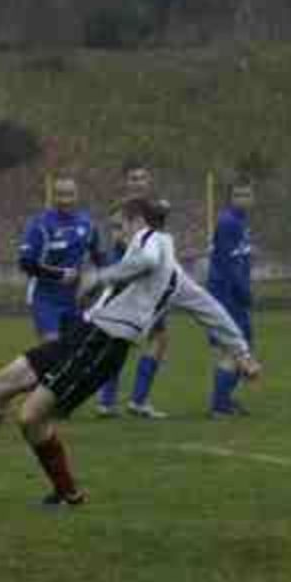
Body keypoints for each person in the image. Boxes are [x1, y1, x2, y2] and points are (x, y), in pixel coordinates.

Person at [0, 198, 261, 505]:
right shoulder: (169, 272)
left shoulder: (153, 243)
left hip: (103, 344)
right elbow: (210, 309)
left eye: (117, 227)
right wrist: (242, 351)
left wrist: (100, 277)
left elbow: (149, 260)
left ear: (136, 221)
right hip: (84, 334)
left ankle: (68, 493)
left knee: (31, 418)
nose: (116, 236)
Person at [95, 160, 172, 418]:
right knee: (120, 341)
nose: (138, 182)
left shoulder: (153, 210)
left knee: (158, 339)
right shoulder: (121, 211)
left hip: (148, 285)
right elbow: (122, 240)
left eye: (142, 178)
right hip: (128, 284)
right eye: (133, 178)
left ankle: (134, 400)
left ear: (149, 182)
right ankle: (110, 401)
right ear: (125, 182)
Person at [18, 177, 105, 342]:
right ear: (53, 196)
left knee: (72, 353)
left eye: (69, 195)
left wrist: (101, 278)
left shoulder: (87, 224)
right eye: (60, 195)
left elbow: (99, 257)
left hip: (75, 299)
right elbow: (25, 263)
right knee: (52, 350)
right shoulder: (40, 224)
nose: (65, 200)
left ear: (77, 195)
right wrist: (59, 275)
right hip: (45, 298)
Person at [207, 178, 258, 417]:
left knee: (241, 346)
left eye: (246, 194)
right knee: (233, 349)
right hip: (227, 295)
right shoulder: (228, 223)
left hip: (233, 293)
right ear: (230, 198)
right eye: (238, 195)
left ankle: (225, 399)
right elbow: (228, 264)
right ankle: (220, 405)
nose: (243, 199)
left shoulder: (241, 222)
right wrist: (243, 292)